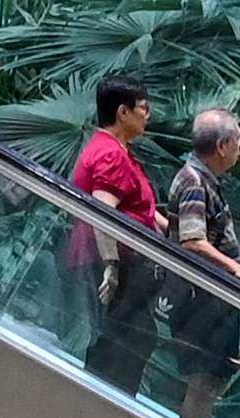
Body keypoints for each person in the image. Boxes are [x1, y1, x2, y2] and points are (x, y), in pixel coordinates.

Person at [163, 108, 240, 418]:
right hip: (200, 302)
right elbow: (193, 240)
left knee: (209, 383)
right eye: (236, 140)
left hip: (209, 302)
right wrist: (237, 270)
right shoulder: (194, 182)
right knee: (202, 382)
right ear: (221, 145)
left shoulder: (203, 180)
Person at [69, 78, 164, 396]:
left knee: (133, 335)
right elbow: (103, 210)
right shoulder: (110, 154)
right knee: (127, 337)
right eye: (143, 109)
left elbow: (140, 206)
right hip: (108, 259)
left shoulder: (120, 152)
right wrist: (111, 264)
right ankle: (105, 401)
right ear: (123, 113)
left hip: (121, 259)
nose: (147, 116)